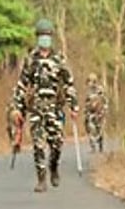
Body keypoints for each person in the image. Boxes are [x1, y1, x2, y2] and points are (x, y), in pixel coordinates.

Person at [11, 18, 78, 192]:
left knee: (56, 143)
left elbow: (69, 83)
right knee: (38, 144)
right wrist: (18, 108)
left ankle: (53, 167)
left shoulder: (59, 59)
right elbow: (22, 85)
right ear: (37, 38)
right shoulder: (30, 60)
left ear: (51, 37)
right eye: (41, 36)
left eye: (47, 36)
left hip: (55, 108)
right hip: (36, 109)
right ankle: (41, 179)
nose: (44, 39)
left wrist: (73, 106)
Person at [82, 73, 107, 153]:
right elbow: (86, 102)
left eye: (91, 81)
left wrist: (104, 110)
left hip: (99, 113)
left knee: (99, 129)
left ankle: (100, 146)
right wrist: (85, 110)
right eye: (89, 81)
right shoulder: (88, 91)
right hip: (90, 113)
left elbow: (104, 100)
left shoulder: (100, 90)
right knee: (89, 128)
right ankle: (93, 147)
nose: (89, 83)